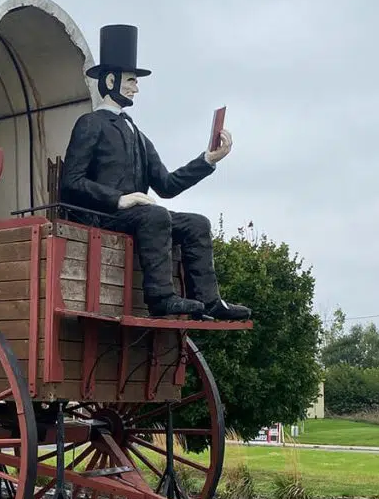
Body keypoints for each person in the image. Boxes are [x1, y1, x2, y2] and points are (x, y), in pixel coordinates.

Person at [58, 24, 251, 321]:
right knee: (156, 214)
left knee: (197, 223)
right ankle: (161, 298)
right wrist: (119, 199)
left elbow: (166, 185)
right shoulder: (90, 124)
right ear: (111, 80)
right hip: (103, 215)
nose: (136, 87)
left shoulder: (137, 134)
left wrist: (208, 160)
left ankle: (210, 301)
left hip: (138, 217)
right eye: (132, 80)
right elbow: (71, 183)